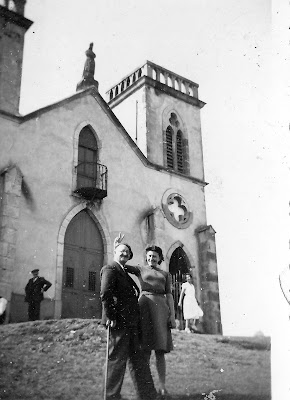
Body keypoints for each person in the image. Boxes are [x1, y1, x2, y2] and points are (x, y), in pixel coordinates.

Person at [114, 235, 176, 399]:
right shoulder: (140, 269)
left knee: (160, 350)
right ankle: (146, 387)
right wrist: (116, 247)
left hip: (161, 309)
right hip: (144, 308)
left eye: (154, 257)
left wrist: (172, 316)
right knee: (145, 349)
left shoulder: (165, 274)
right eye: (149, 256)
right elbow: (121, 265)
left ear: (159, 258)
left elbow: (169, 295)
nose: (151, 259)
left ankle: (162, 385)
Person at [100, 242, 157, 400]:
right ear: (115, 253)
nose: (124, 254)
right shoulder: (110, 268)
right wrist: (110, 316)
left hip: (132, 323)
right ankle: (111, 396)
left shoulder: (123, 271)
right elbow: (105, 294)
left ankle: (148, 396)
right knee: (117, 359)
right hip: (118, 323)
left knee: (138, 360)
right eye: (121, 251)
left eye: (127, 252)